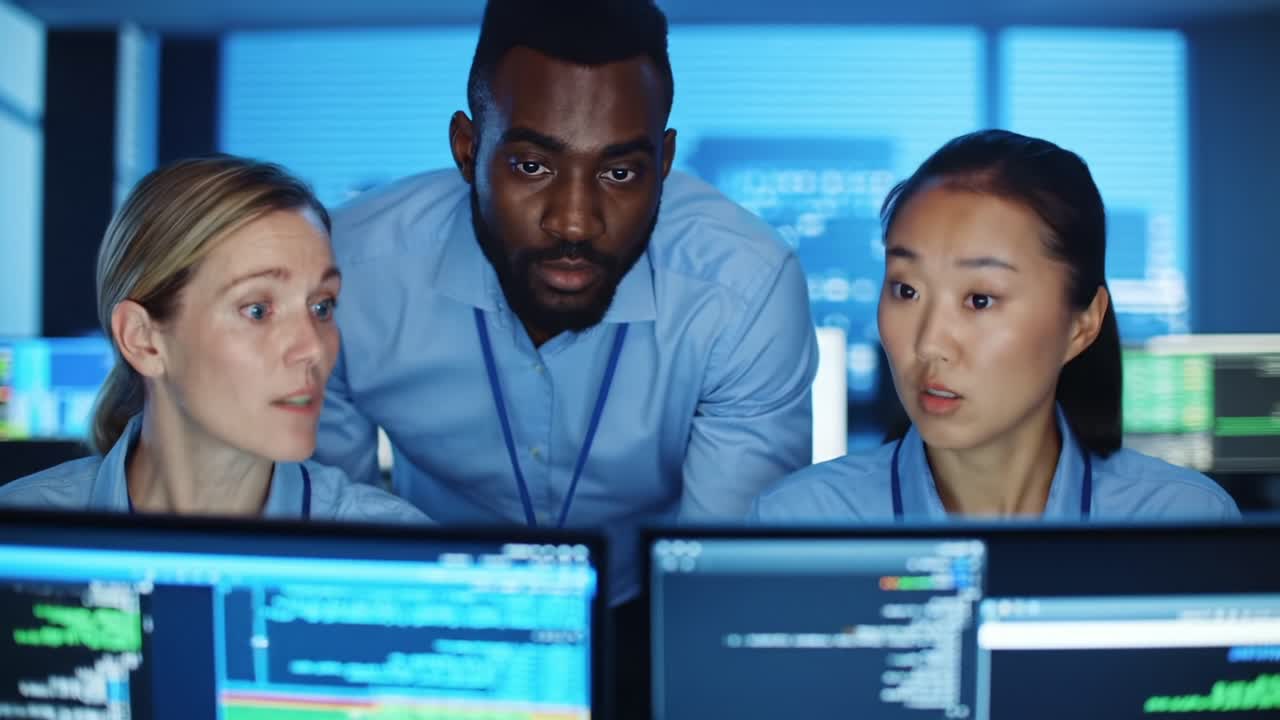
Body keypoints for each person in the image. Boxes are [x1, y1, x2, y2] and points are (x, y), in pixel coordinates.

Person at [314, 0, 819, 603]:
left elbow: (724, 576)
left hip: (649, 605)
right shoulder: (345, 273)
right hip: (432, 598)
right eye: (532, 165)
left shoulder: (743, 288)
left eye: (620, 173)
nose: (575, 223)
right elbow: (329, 537)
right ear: (468, 150)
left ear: (663, 162)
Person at [752, 129, 1239, 523]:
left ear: (1083, 324)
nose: (929, 344)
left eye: (979, 299)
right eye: (906, 290)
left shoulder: (1181, 519)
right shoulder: (802, 521)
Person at [0, 155, 428, 524]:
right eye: (257, 310)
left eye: (322, 306)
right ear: (143, 340)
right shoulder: (18, 533)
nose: (313, 348)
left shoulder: (402, 558)